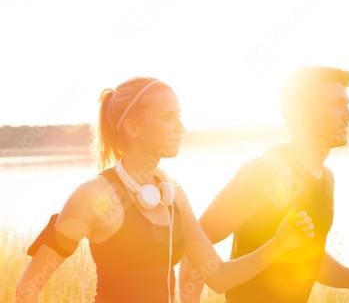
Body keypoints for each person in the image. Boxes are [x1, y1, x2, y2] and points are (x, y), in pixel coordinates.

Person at [16, 77, 316, 303]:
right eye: (167, 118)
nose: (180, 129)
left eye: (179, 117)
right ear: (133, 128)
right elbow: (27, 290)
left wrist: (278, 245)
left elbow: (219, 278)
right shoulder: (94, 197)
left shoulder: (173, 195)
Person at [179, 66, 349, 302]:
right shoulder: (265, 171)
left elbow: (312, 260)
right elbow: (194, 247)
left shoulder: (325, 178)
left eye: (347, 104)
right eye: (337, 105)